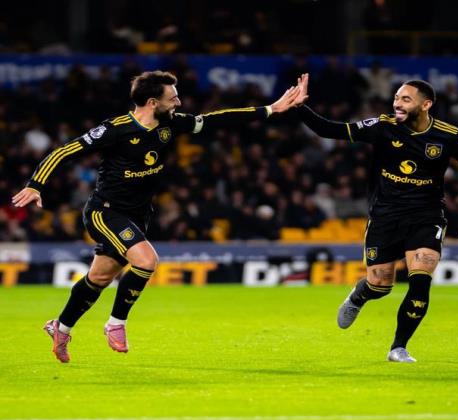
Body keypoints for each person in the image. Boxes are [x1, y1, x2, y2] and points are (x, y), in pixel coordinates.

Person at [12, 70, 300, 363]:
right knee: (147, 261)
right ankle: (116, 323)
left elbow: (217, 119)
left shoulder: (171, 124)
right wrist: (36, 185)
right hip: (105, 212)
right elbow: (64, 151)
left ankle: (60, 328)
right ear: (152, 102)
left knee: (99, 277)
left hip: (138, 215)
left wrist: (271, 109)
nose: (179, 102)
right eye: (172, 97)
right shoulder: (115, 129)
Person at [291, 74, 458, 362]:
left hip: (427, 216)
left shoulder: (448, 135)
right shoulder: (383, 127)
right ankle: (359, 296)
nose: (397, 103)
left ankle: (398, 347)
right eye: (396, 98)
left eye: (405, 99)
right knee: (380, 285)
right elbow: (329, 130)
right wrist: (300, 107)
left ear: (426, 105)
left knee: (420, 279)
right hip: (385, 216)